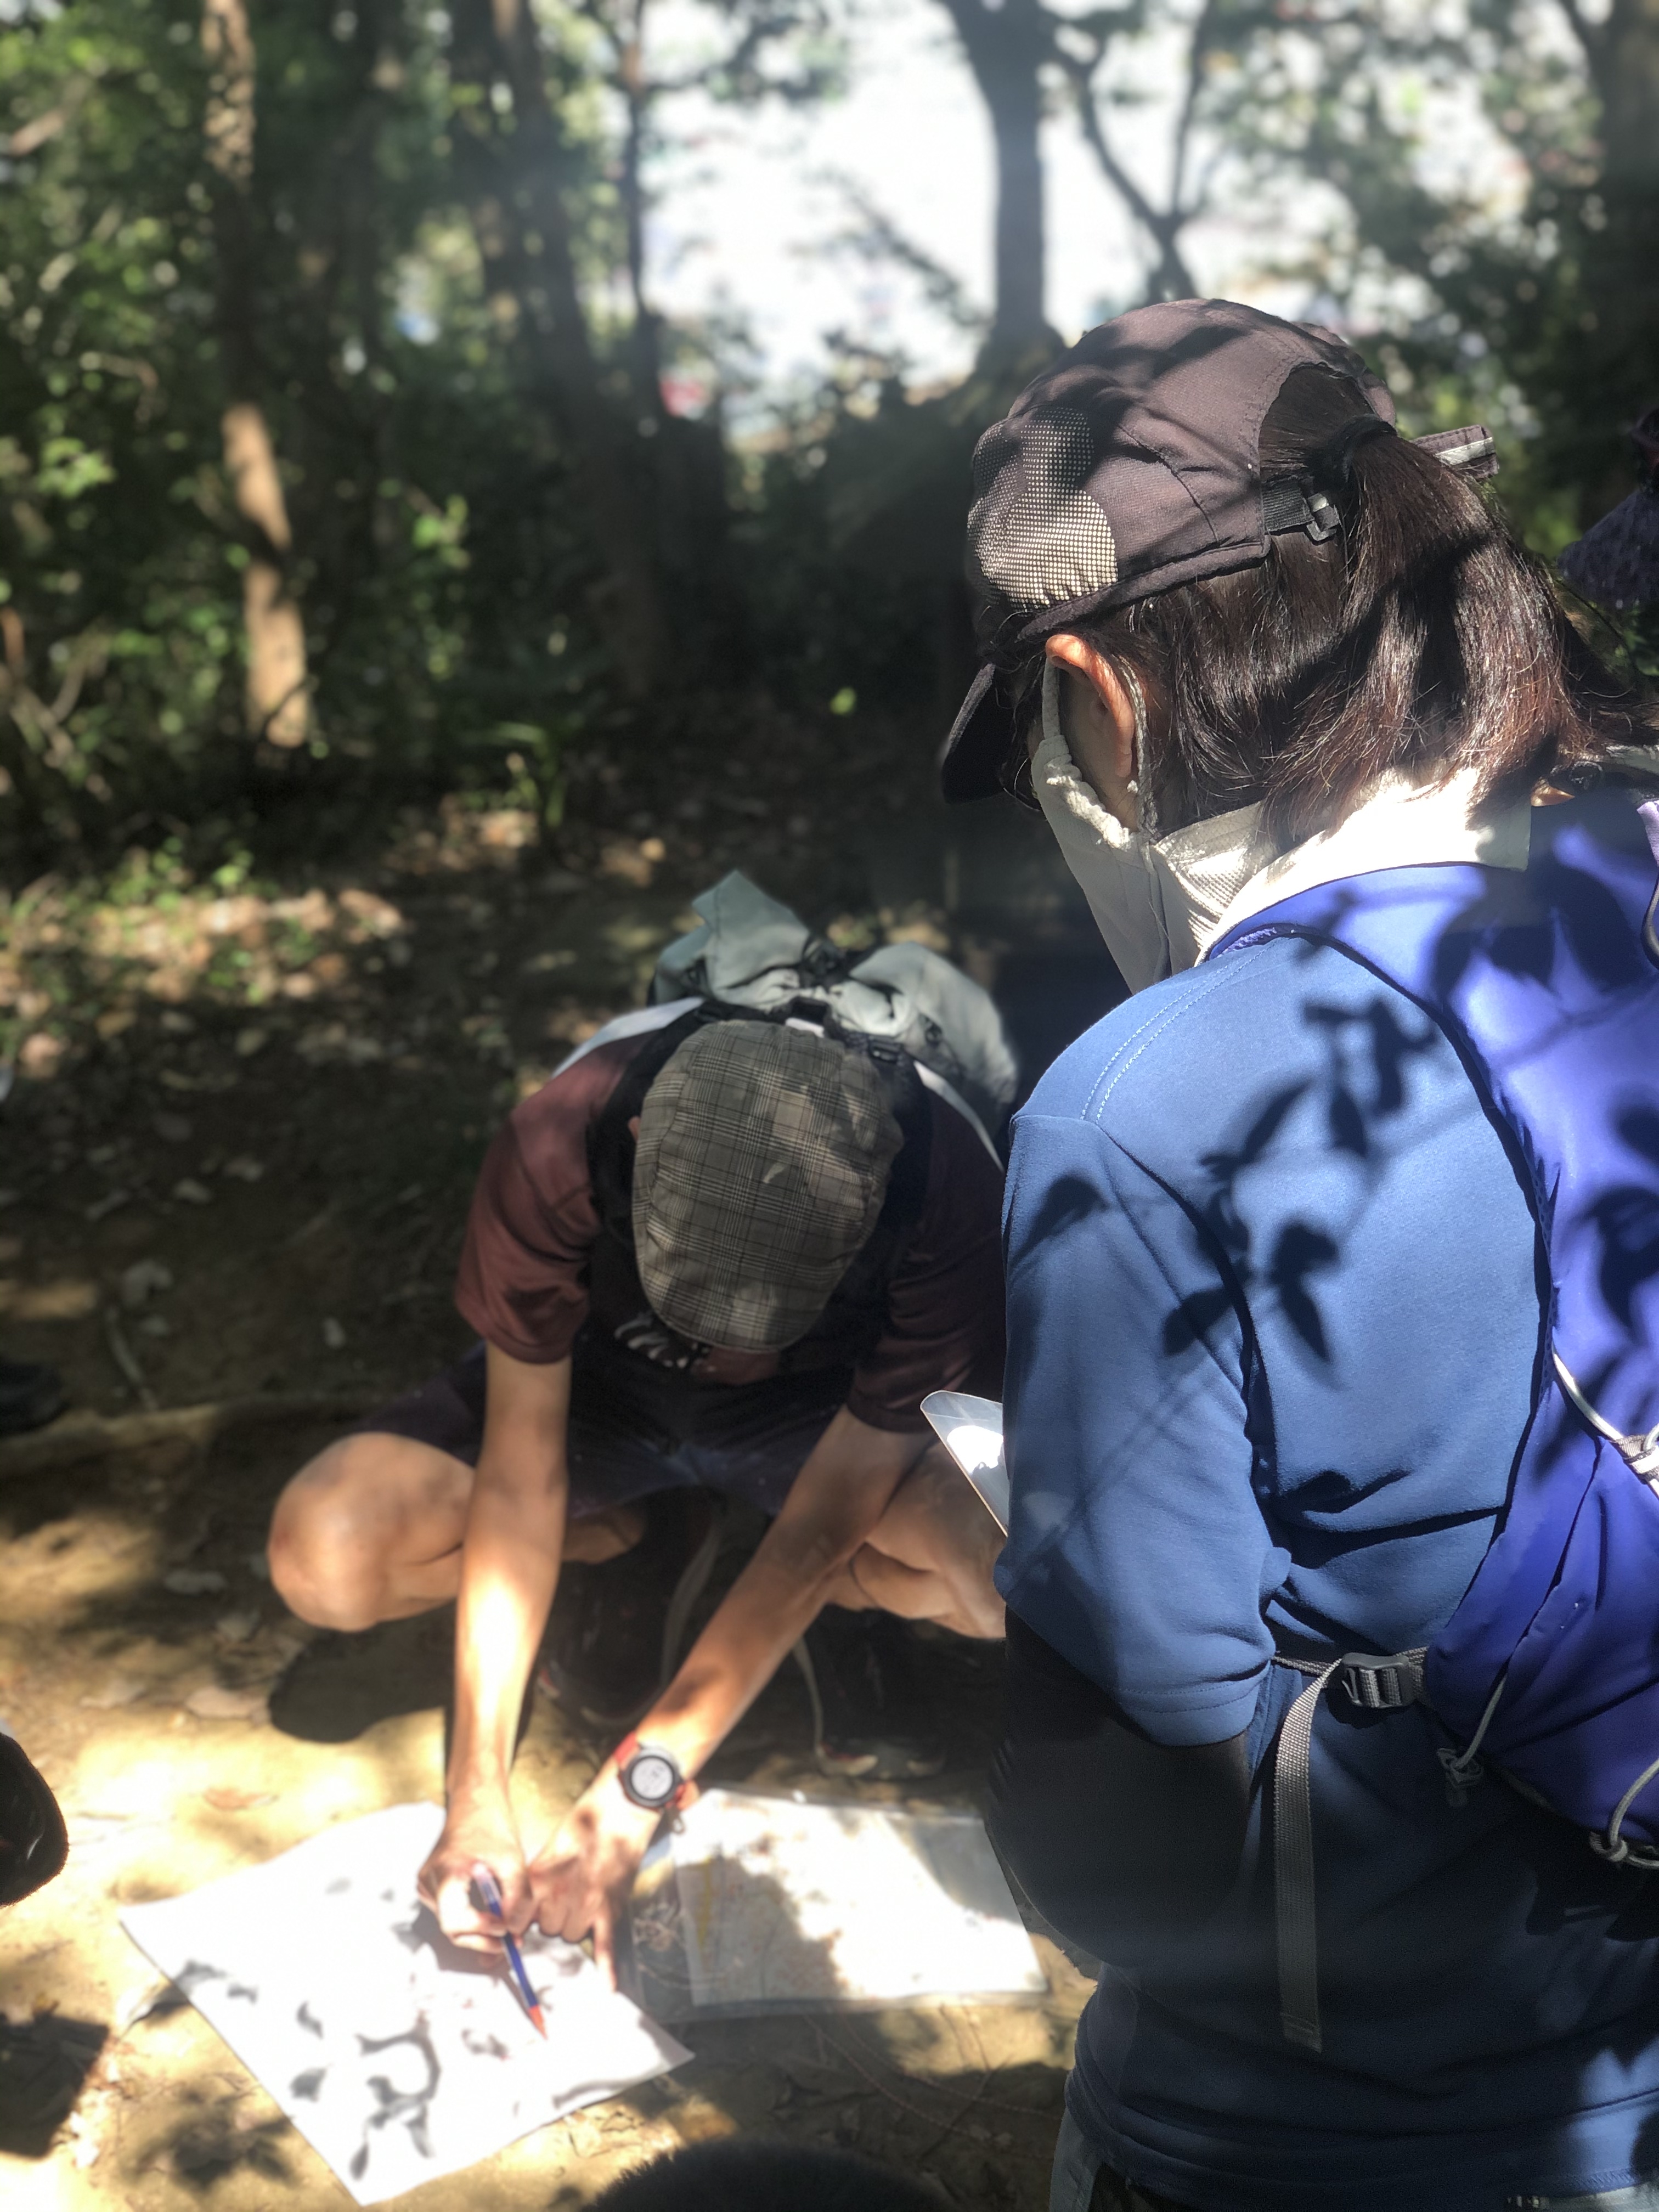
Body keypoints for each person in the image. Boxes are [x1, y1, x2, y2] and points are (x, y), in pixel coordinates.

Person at [939, 299, 1659, 2211]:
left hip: (1346, 2134)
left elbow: (1127, 1848)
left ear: (1094, 689)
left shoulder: (1163, 1105)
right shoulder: (1639, 878)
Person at [268, 963, 1007, 1977]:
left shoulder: (947, 1190)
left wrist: (632, 1794)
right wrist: (475, 1798)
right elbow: (520, 1476)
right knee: (324, 1557)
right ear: (635, 1141)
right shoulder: (559, 1135)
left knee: (1008, 1573)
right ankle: (641, 1541)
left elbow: (819, 1529)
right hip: (600, 1390)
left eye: (755, 1328)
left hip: (820, 1422)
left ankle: (836, 1617)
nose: (726, 1356)